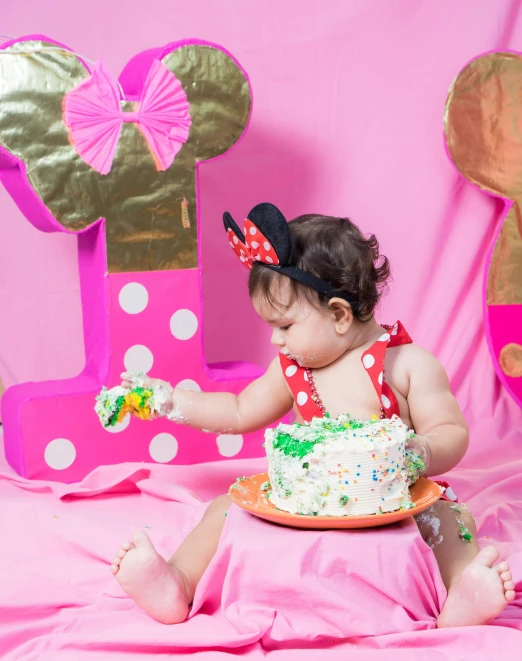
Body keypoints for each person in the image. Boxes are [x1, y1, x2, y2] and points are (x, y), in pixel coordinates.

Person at [111, 203, 516, 627]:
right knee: (223, 509)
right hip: (304, 503)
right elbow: (238, 410)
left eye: (284, 326)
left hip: (391, 501)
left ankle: (461, 596)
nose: (275, 339)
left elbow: (451, 430)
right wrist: (170, 401)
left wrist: (422, 450)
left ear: (339, 314)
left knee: (449, 519)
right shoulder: (293, 370)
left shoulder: (407, 364)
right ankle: (177, 582)